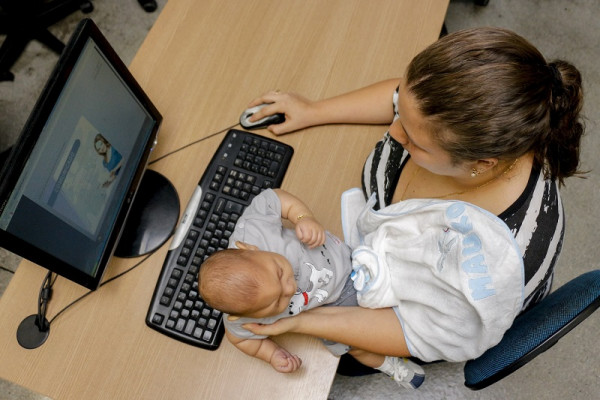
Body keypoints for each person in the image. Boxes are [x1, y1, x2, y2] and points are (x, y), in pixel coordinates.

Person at [239, 27, 585, 373]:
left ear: (480, 164)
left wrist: (298, 323)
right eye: (400, 115)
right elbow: (402, 99)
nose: (393, 130)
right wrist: (314, 110)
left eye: (414, 141)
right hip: (368, 258)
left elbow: (419, 331)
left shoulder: (492, 260)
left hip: (416, 319)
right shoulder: (444, 115)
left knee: (336, 364)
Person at [199, 188, 426, 389]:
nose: (289, 288)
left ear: (250, 248)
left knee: (404, 284)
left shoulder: (253, 232)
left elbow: (274, 198)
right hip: (331, 308)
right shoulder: (240, 320)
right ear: (244, 315)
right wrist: (272, 355)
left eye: (279, 272)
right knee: (354, 347)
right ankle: (389, 365)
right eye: (276, 303)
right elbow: (240, 339)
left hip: (343, 258)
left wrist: (302, 217)